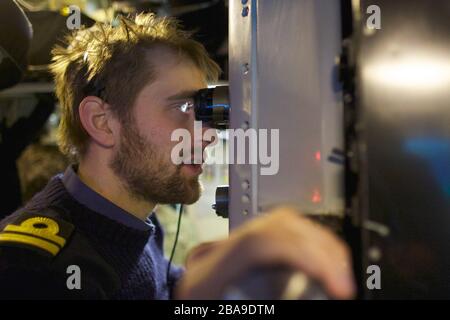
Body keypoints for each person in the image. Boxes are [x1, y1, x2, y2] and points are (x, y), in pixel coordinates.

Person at [0, 13, 355, 300]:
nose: (208, 134)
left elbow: (167, 288)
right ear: (101, 122)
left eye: (203, 110)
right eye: (183, 106)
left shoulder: (132, 220)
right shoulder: (36, 268)